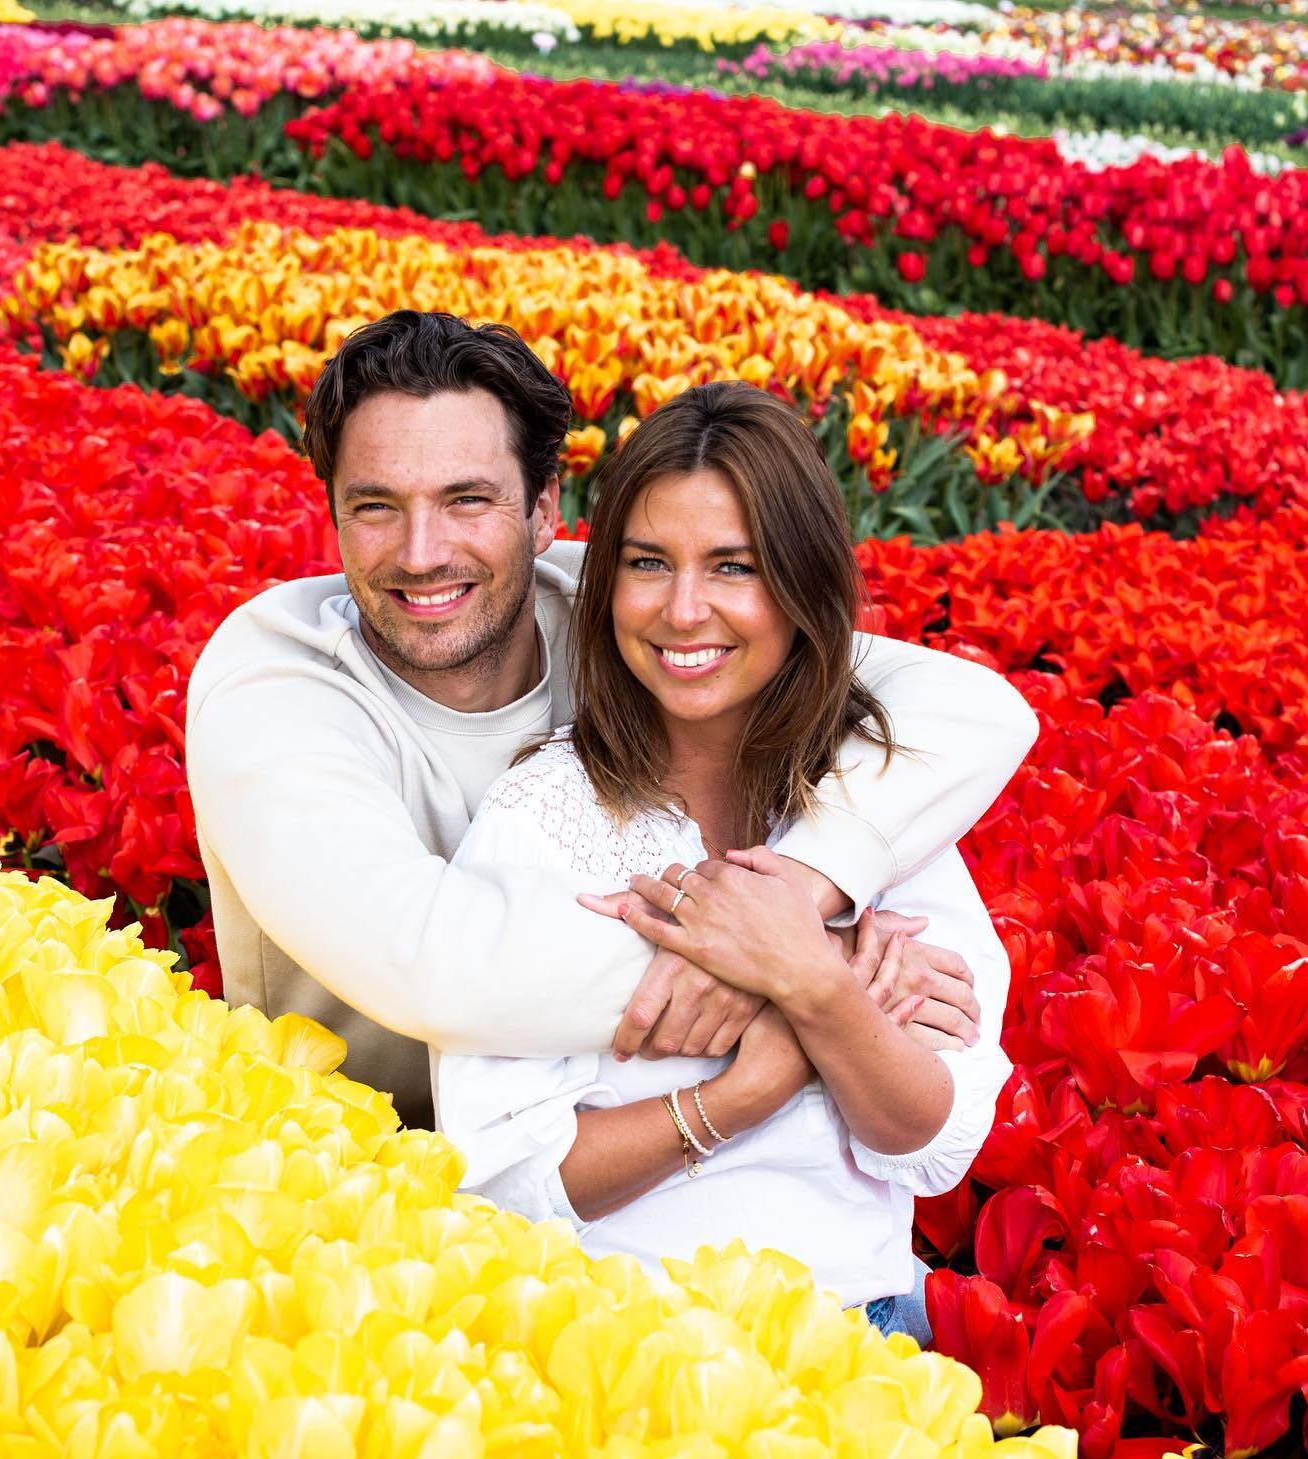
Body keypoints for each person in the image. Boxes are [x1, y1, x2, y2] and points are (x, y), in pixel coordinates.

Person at [186, 310, 1035, 1136]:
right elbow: (439, 968)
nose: (420, 551)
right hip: (339, 1183)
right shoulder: (275, 682)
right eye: (375, 506)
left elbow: (975, 708)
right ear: (332, 508)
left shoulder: (632, 610)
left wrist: (801, 897)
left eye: (468, 499)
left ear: (544, 508)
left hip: (611, 1202)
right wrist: (817, 969)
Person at [430, 383, 1016, 1338]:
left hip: (864, 1331)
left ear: (801, 586)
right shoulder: (544, 813)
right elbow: (507, 1173)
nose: (683, 609)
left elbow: (933, 1135)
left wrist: (811, 984)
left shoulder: (879, 806)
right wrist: (757, 1081)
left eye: (733, 566)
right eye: (648, 563)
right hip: (623, 1336)